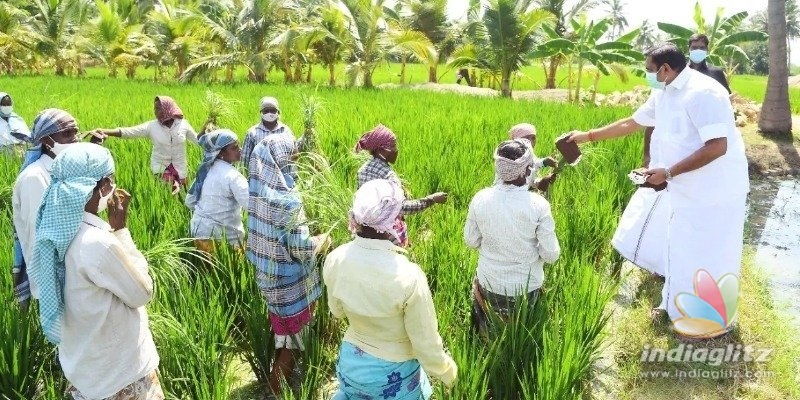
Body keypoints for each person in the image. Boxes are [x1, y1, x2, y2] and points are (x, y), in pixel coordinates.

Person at [567, 42, 749, 340]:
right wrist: (586, 136)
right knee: (678, 246)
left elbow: (718, 146)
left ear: (666, 69)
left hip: (714, 192)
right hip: (682, 187)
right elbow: (633, 122)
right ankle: (672, 304)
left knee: (708, 253)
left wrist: (669, 172)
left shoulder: (704, 93)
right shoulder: (664, 90)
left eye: (650, 70)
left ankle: (709, 322)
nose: (647, 75)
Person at [31, 143, 162, 399]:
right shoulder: (97, 243)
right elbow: (142, 292)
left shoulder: (56, 232)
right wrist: (121, 230)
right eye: (110, 180)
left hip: (84, 371)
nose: (113, 186)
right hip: (118, 375)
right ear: (101, 186)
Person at [323, 179, 457, 399]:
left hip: (350, 365)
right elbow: (425, 342)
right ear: (394, 219)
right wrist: (448, 373)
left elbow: (336, 311)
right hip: (393, 375)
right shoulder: (408, 276)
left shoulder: (335, 258)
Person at [246, 132, 330, 395]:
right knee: (292, 346)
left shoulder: (258, 193)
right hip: (292, 285)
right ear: (280, 159)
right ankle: (275, 391)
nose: (295, 160)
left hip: (269, 280)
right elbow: (303, 248)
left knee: (283, 336)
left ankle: (282, 381)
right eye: (292, 156)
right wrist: (324, 239)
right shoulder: (288, 201)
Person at [465, 139, 561, 336]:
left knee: (489, 334)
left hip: (490, 281)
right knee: (523, 334)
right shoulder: (538, 205)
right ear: (526, 171)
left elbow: (471, 241)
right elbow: (551, 255)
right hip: (526, 287)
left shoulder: (480, 198)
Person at [11, 109, 79, 307]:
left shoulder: (63, 169)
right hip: (54, 276)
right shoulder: (35, 178)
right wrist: (50, 290)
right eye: (67, 133)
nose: (75, 139)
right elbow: (39, 237)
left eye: (76, 132)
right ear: (47, 141)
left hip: (72, 269)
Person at [354, 124, 447, 247]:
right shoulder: (388, 176)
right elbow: (401, 208)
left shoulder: (362, 171)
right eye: (393, 146)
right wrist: (431, 199)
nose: (396, 150)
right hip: (386, 236)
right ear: (382, 150)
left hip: (364, 231)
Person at [89, 96, 206, 193]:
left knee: (183, 196)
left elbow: (198, 140)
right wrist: (104, 131)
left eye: (158, 108)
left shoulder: (183, 124)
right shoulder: (152, 126)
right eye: (155, 109)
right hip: (160, 167)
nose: (156, 112)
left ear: (168, 108)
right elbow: (129, 132)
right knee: (168, 190)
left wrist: (206, 130)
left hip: (180, 168)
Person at [185, 129, 248, 252]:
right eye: (234, 148)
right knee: (230, 271)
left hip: (200, 234)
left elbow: (190, 201)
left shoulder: (205, 171)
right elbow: (251, 205)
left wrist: (209, 214)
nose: (240, 150)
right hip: (225, 240)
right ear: (220, 153)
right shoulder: (233, 176)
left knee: (204, 271)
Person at [242, 97, 309, 168]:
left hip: (284, 175)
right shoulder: (252, 133)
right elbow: (245, 159)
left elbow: (294, 153)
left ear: (278, 112)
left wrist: (307, 136)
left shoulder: (285, 131)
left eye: (273, 110)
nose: (269, 113)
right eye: (266, 111)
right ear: (261, 113)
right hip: (261, 176)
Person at [499, 123, 558, 192]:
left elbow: (534, 162)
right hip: (509, 189)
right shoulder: (510, 155)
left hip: (525, 185)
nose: (530, 141)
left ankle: (537, 184)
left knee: (532, 178)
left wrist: (544, 162)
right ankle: (536, 185)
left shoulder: (529, 153)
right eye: (526, 138)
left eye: (533, 138)